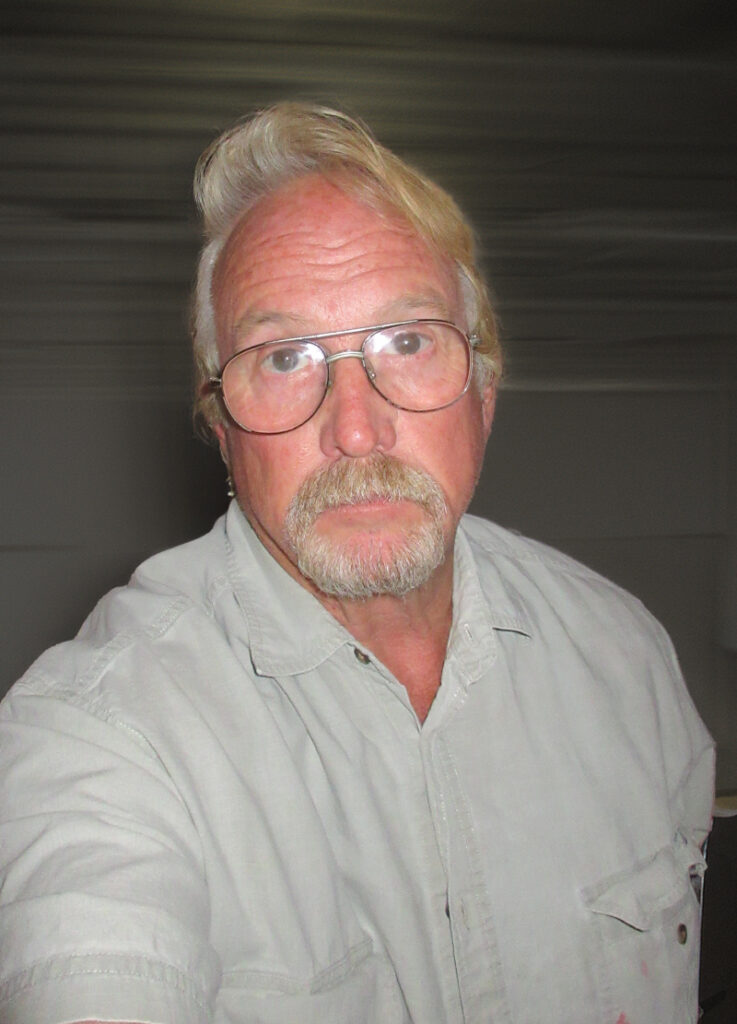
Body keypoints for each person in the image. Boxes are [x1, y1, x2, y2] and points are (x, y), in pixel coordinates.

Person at [0, 102, 715, 1024]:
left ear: (484, 392)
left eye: (407, 341)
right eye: (284, 357)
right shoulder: (99, 734)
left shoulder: (622, 655)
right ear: (220, 427)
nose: (354, 428)